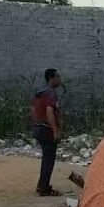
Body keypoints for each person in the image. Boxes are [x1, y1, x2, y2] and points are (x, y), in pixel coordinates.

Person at [31, 68, 63, 197]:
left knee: (46, 159)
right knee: (49, 160)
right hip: (46, 130)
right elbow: (49, 112)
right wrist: (55, 130)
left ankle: (42, 185)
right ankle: (44, 188)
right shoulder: (50, 93)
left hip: (38, 128)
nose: (60, 79)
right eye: (58, 76)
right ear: (51, 78)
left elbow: (33, 109)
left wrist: (36, 123)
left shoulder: (39, 92)